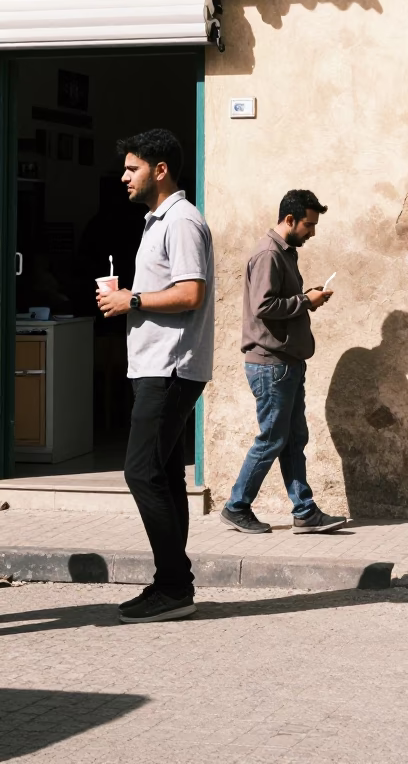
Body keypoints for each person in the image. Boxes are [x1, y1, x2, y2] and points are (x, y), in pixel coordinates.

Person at [97, 129, 214, 624]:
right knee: (163, 474)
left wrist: (132, 300)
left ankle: (174, 584)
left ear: (159, 170)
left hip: (170, 366)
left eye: (131, 168)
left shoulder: (182, 221)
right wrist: (130, 297)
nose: (123, 176)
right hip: (156, 363)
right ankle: (172, 586)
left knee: (140, 472)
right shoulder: (156, 221)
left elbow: (191, 294)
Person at [222, 190, 346, 534]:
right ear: (289, 220)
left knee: (292, 439)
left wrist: (307, 300)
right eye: (309, 224)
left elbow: (280, 302)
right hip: (271, 364)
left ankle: (304, 511)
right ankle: (237, 506)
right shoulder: (268, 254)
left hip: (285, 362)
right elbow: (264, 307)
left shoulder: (284, 253)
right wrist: (305, 300)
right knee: (272, 440)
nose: (313, 232)